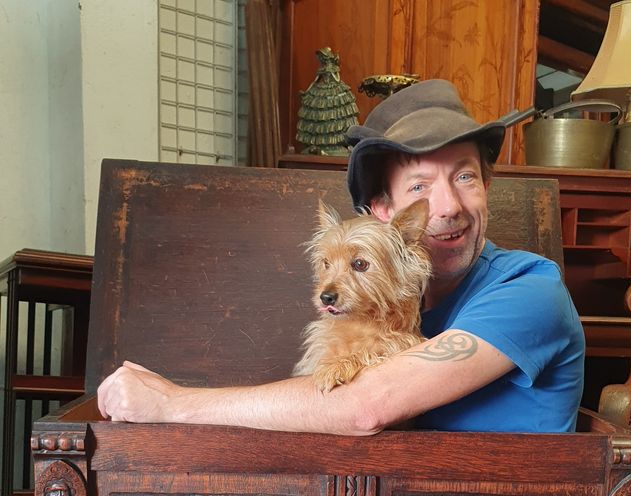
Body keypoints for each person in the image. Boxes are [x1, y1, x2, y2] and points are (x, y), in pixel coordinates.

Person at [97, 79, 585, 434]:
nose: (451, 207)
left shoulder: (530, 290)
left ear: (486, 187)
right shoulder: (392, 306)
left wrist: (174, 403)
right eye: (420, 187)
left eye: (466, 177)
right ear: (384, 214)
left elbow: (362, 408)